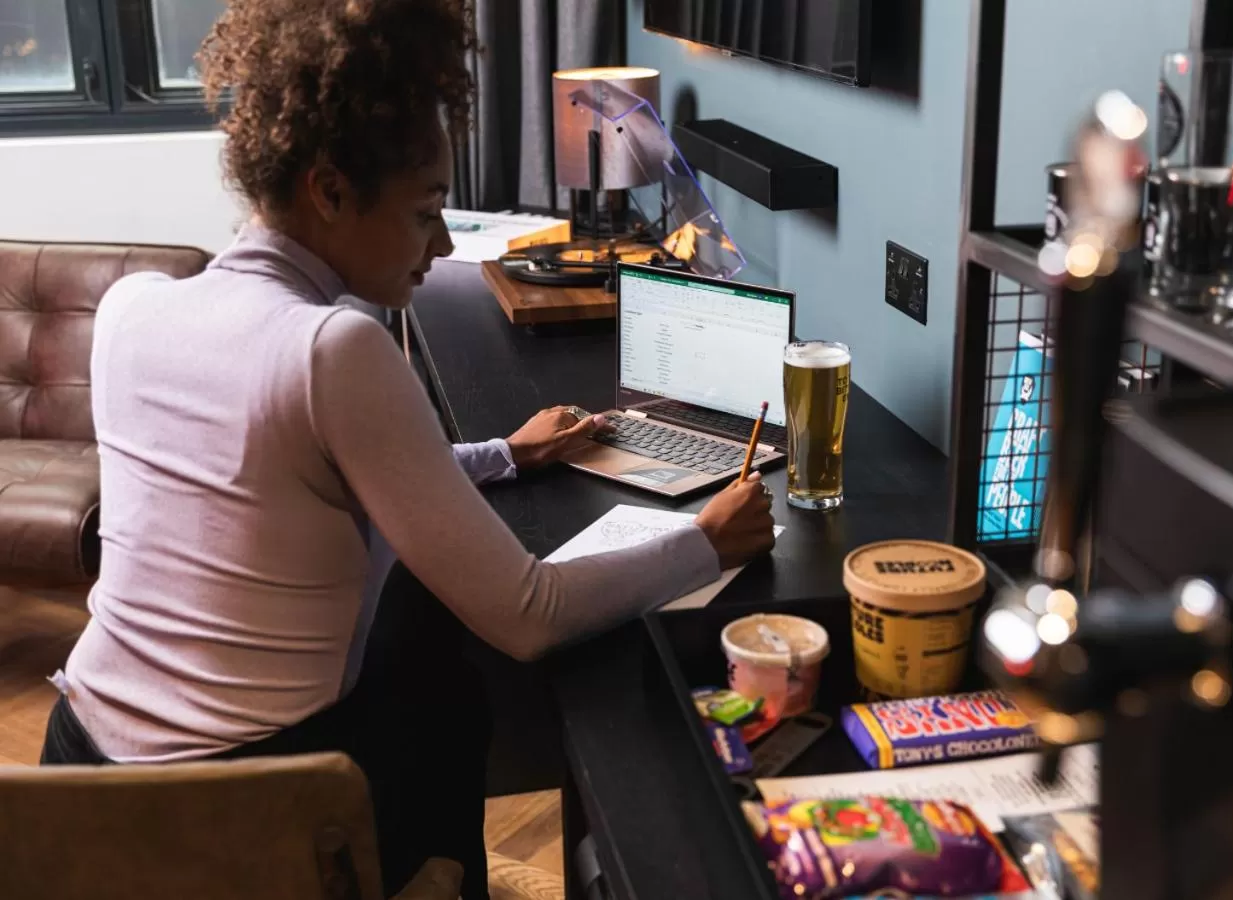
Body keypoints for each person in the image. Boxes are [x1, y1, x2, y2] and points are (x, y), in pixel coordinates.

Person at [38, 1, 777, 898]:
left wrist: (504, 453)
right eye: (426, 210)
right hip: (245, 809)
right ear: (329, 190)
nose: (438, 245)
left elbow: (294, 477)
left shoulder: (136, 308)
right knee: (453, 684)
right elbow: (529, 612)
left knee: (415, 628)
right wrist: (709, 538)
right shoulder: (334, 347)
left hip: (77, 771)